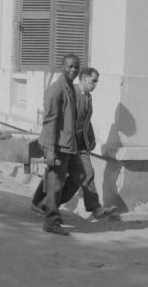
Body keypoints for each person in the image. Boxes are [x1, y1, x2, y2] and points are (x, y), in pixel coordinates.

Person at [32, 67, 117, 222]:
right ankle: (40, 202)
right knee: (55, 176)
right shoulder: (72, 94)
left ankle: (95, 208)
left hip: (80, 145)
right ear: (83, 78)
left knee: (87, 173)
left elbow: (86, 122)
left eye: (97, 81)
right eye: (93, 81)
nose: (95, 84)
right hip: (65, 144)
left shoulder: (88, 97)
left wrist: (89, 139)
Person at [34, 53, 85, 235]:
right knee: (55, 185)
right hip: (57, 146)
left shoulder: (71, 87)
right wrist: (49, 151)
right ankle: (51, 222)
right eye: (70, 67)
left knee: (79, 175)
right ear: (62, 67)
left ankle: (46, 205)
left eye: (76, 67)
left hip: (69, 145)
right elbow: (50, 121)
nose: (73, 70)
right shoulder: (56, 90)